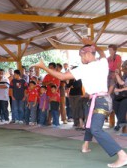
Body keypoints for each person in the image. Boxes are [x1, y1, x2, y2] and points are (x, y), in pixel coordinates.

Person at [33, 38, 127, 168]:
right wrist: (93, 45)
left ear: (87, 54)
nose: (80, 58)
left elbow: (61, 77)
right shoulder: (103, 62)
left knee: (95, 129)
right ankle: (86, 145)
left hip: (100, 101)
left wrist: (43, 67)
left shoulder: (84, 68)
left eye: (81, 55)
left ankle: (122, 155)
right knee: (89, 123)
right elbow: (103, 53)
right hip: (98, 100)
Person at [113, 60, 127, 131]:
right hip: (124, 95)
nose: (122, 68)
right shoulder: (125, 75)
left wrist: (120, 90)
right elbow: (121, 83)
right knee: (115, 104)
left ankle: (121, 123)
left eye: (123, 66)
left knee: (123, 104)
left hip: (125, 96)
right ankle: (121, 122)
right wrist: (116, 74)